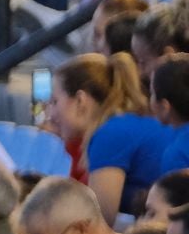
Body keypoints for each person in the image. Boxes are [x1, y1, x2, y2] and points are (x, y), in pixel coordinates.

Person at [50, 52, 172, 221]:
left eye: (55, 101)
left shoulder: (109, 134)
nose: (50, 114)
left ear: (80, 100)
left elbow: (98, 224)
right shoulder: (123, 124)